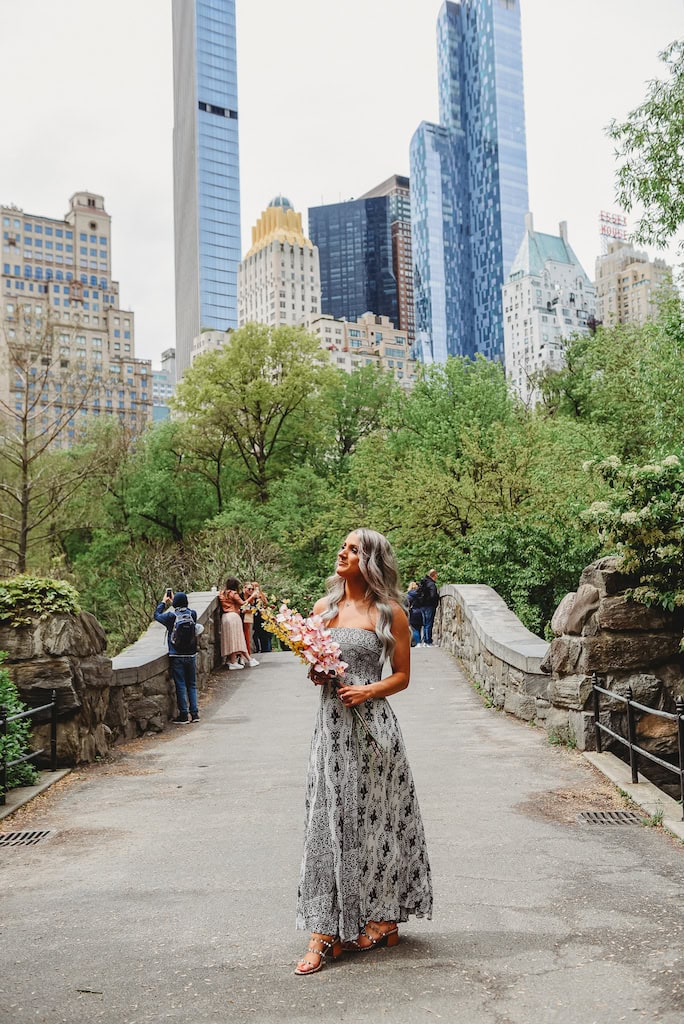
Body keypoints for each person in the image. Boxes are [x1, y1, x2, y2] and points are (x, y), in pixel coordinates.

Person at [294, 528, 432, 976]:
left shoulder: (390, 612)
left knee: (376, 827)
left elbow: (403, 676)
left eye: (352, 549)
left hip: (374, 733)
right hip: (330, 733)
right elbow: (317, 668)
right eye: (343, 546)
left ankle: (382, 919)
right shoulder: (323, 610)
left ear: (369, 560)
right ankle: (323, 929)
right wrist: (319, 674)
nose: (342, 552)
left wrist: (367, 689)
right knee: (327, 822)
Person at [154, 590, 201, 724]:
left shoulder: (170, 616)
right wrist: (177, 601)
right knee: (191, 684)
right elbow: (187, 610)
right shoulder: (192, 614)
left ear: (174, 603)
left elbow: (156, 615)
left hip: (176, 655)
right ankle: (195, 713)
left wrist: (164, 602)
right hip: (191, 654)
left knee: (180, 684)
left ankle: (184, 715)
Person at [218, 577, 257, 670]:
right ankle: (234, 661)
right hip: (233, 617)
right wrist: (252, 596)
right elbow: (243, 603)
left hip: (225, 617)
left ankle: (233, 660)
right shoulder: (233, 594)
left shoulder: (221, 594)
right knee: (237, 638)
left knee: (230, 639)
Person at [416, 569, 439, 647]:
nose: (437, 576)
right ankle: (428, 641)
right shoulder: (431, 584)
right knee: (429, 623)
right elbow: (433, 595)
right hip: (429, 605)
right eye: (436, 575)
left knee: (425, 623)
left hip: (422, 605)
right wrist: (435, 600)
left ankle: (426, 641)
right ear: (434, 575)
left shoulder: (424, 583)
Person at [406, 581, 423, 648]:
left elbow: (406, 605)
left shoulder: (409, 595)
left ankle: (418, 642)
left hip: (413, 612)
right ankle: (419, 641)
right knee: (419, 628)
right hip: (421, 612)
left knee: (414, 628)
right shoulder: (420, 594)